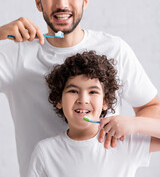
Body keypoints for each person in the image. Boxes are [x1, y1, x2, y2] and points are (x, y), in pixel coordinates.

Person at [0, 0, 159, 177]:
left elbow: (152, 107)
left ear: (85, 0)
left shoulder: (115, 50)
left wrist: (134, 124)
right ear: (38, 2)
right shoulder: (12, 55)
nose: (62, 3)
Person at [28, 51, 160, 177]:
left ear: (105, 101)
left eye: (93, 92)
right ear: (59, 100)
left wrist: (136, 124)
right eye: (73, 91)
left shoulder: (123, 141)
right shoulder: (45, 152)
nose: (83, 99)